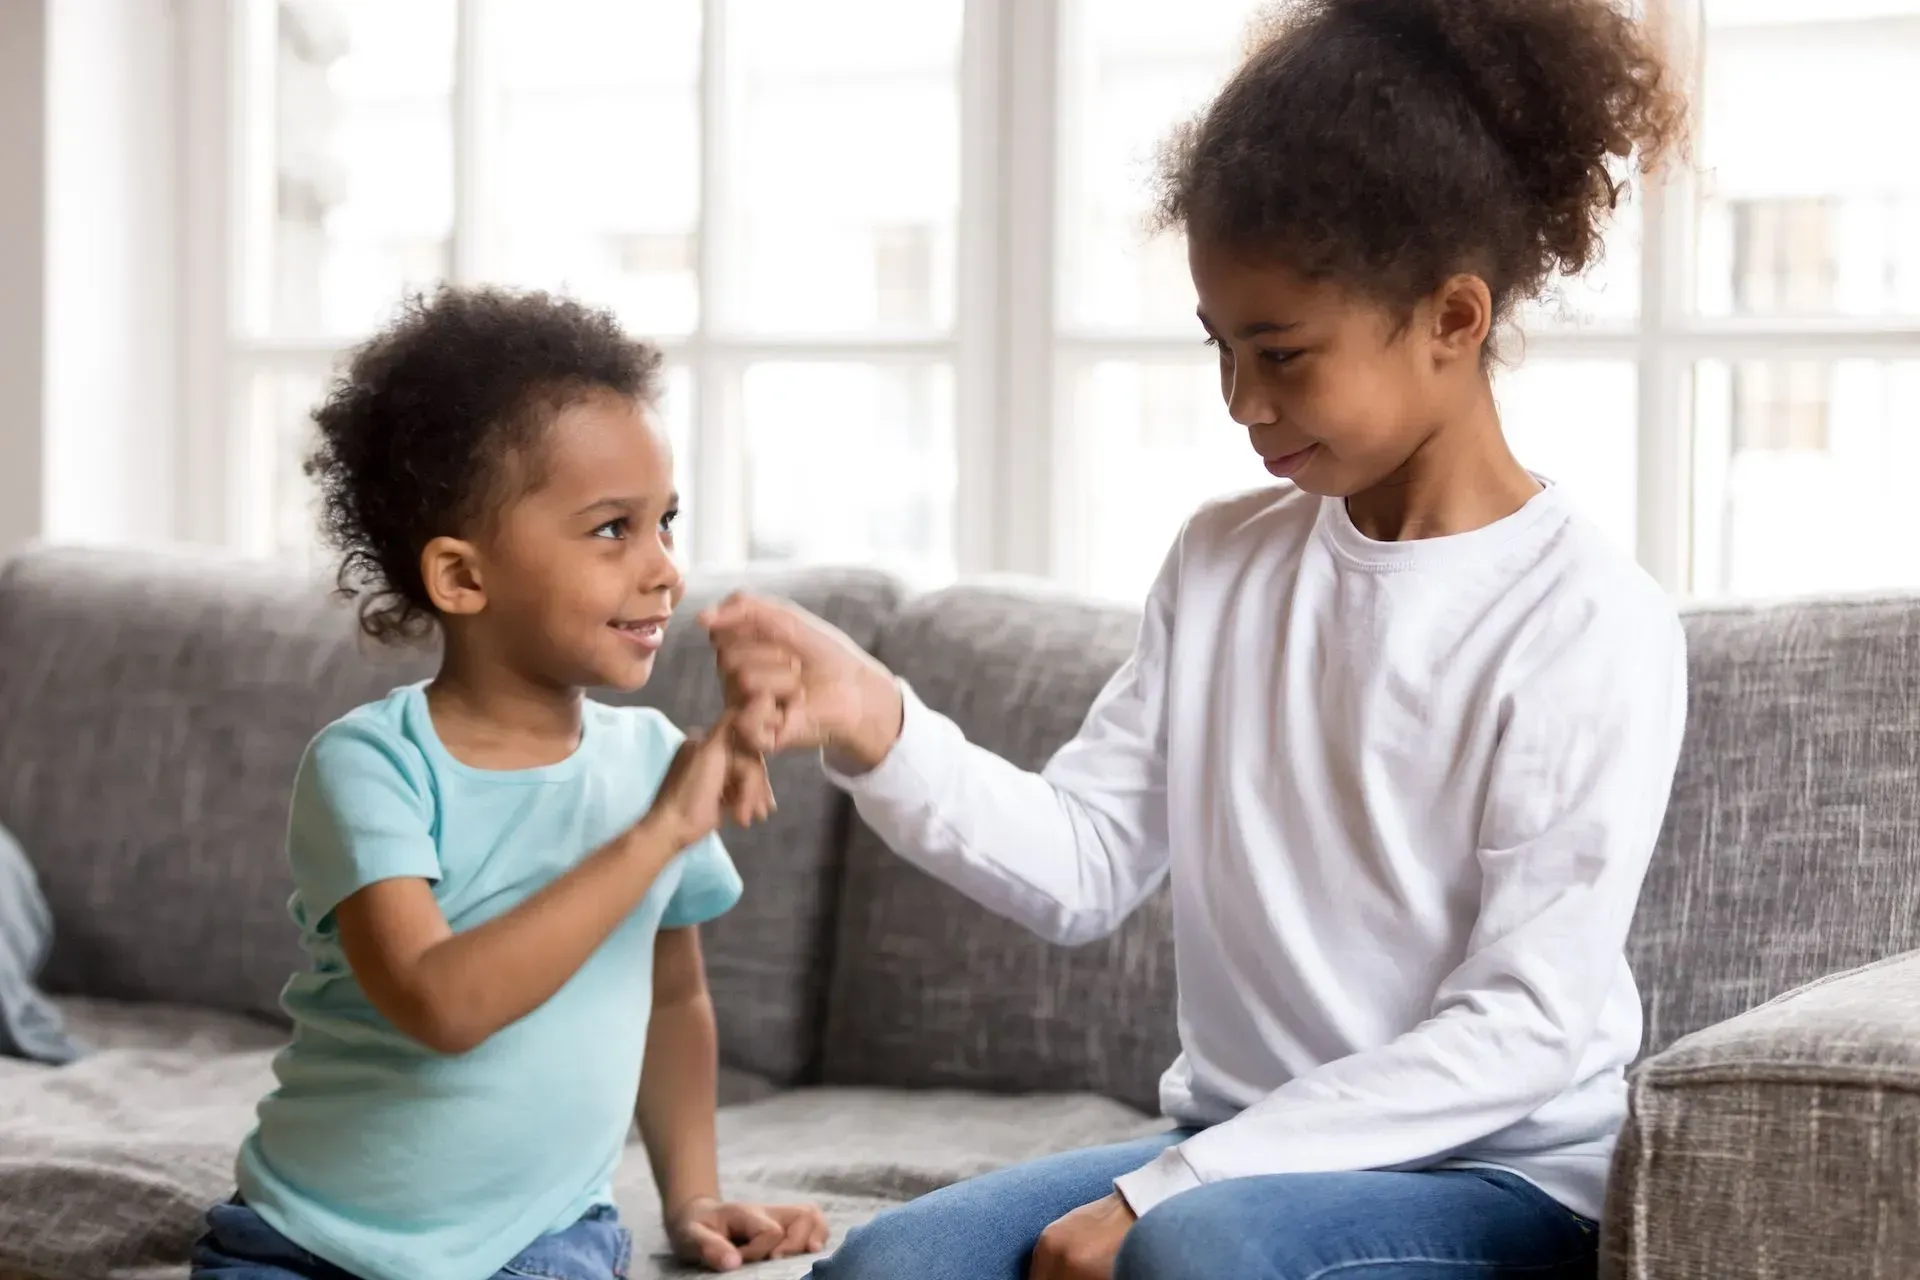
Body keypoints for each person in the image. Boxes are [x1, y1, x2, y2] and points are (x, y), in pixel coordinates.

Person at [701, 1, 1690, 1277]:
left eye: (1283, 353)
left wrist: (1176, 1186)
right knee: (890, 1267)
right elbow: (1085, 861)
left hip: (1497, 1174)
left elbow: (1525, 1026)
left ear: (1453, 318)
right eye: (1220, 345)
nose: (1241, 400)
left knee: (1197, 1252)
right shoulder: (1226, 560)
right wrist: (878, 719)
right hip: (1236, 1144)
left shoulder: (1586, 619)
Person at [191, 287, 828, 1280]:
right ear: (461, 576)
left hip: (538, 1242)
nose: (664, 567)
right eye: (613, 528)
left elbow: (671, 999)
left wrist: (693, 1193)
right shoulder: (370, 765)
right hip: (308, 1234)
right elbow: (442, 1003)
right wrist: (658, 832)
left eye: (666, 520)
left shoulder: (654, 763)